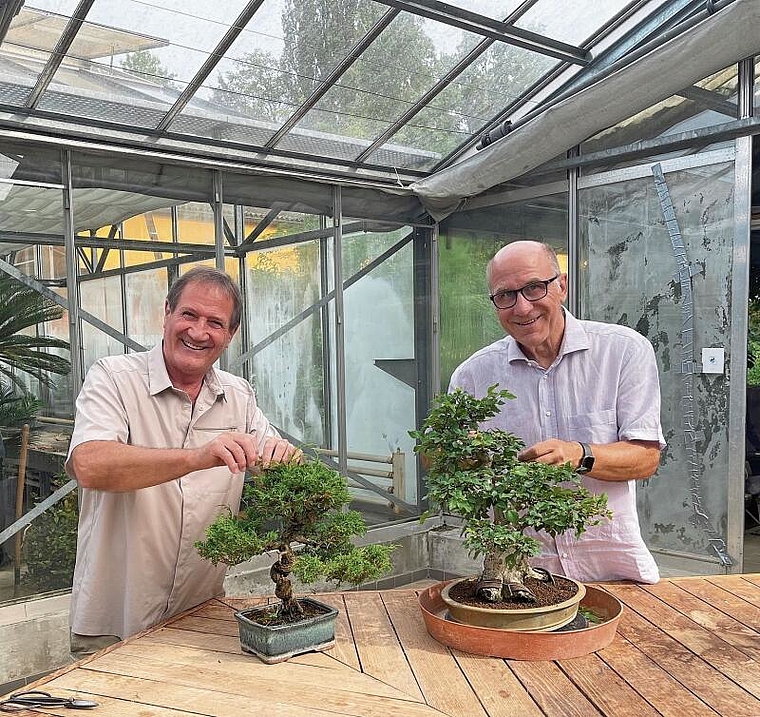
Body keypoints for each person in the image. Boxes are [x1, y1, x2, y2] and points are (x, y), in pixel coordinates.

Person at [66, 267, 299, 656]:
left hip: (201, 616)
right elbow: (90, 464)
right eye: (189, 315)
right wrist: (196, 458)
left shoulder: (238, 396)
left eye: (215, 323)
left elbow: (273, 455)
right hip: (116, 619)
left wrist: (284, 457)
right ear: (167, 313)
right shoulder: (114, 378)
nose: (198, 332)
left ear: (230, 335)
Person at [449, 241, 664, 584]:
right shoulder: (473, 376)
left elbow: (645, 458)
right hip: (524, 574)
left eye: (534, 288)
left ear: (562, 285)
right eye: (505, 296)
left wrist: (580, 454)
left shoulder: (623, 351)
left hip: (612, 568)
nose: (521, 307)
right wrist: (458, 455)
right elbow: (445, 458)